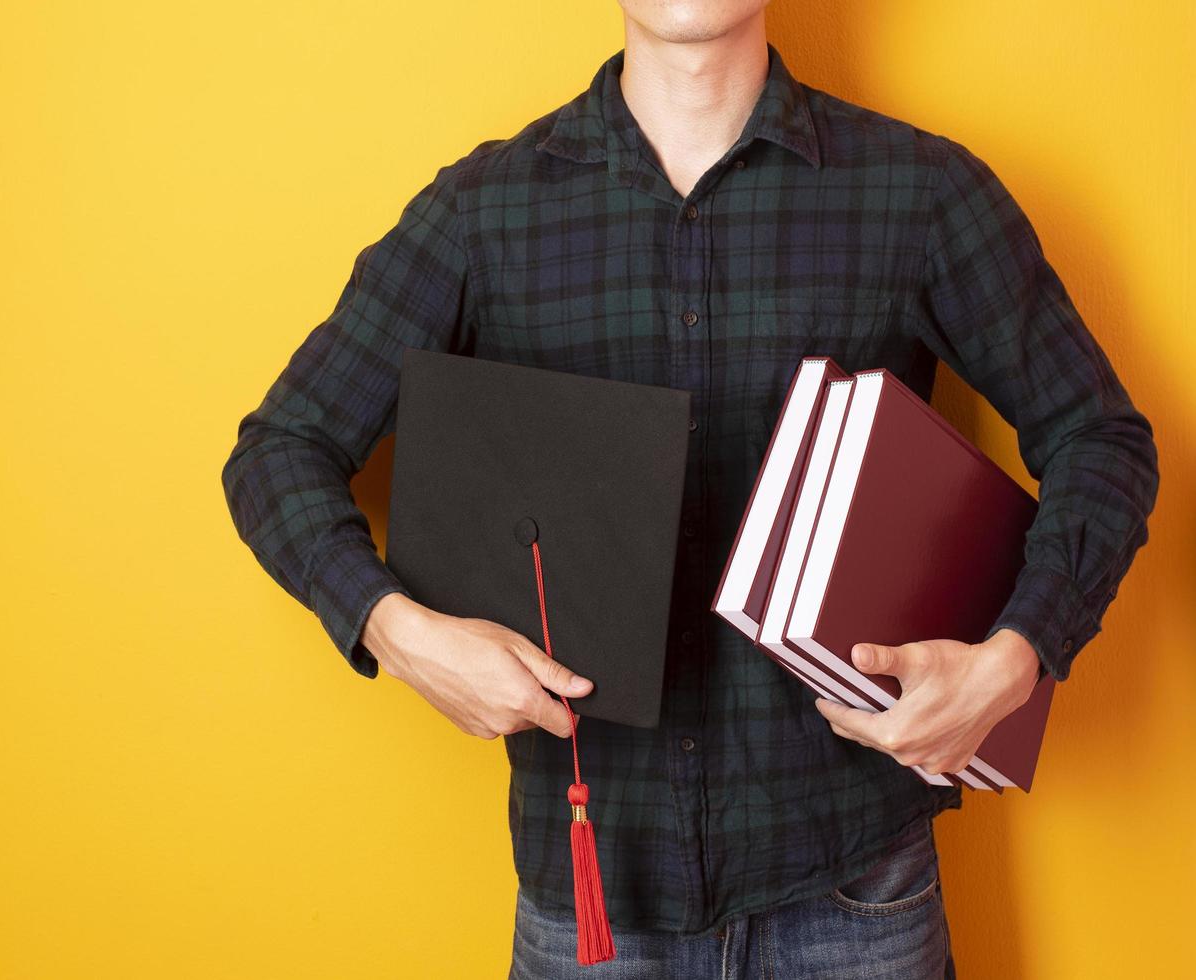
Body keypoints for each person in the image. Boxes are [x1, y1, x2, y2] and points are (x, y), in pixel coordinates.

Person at [221, 2, 1159, 976]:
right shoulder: (480, 213)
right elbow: (280, 449)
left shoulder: (921, 192)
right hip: (595, 900)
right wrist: (400, 634)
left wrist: (1016, 661)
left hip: (857, 894)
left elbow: (1101, 439)